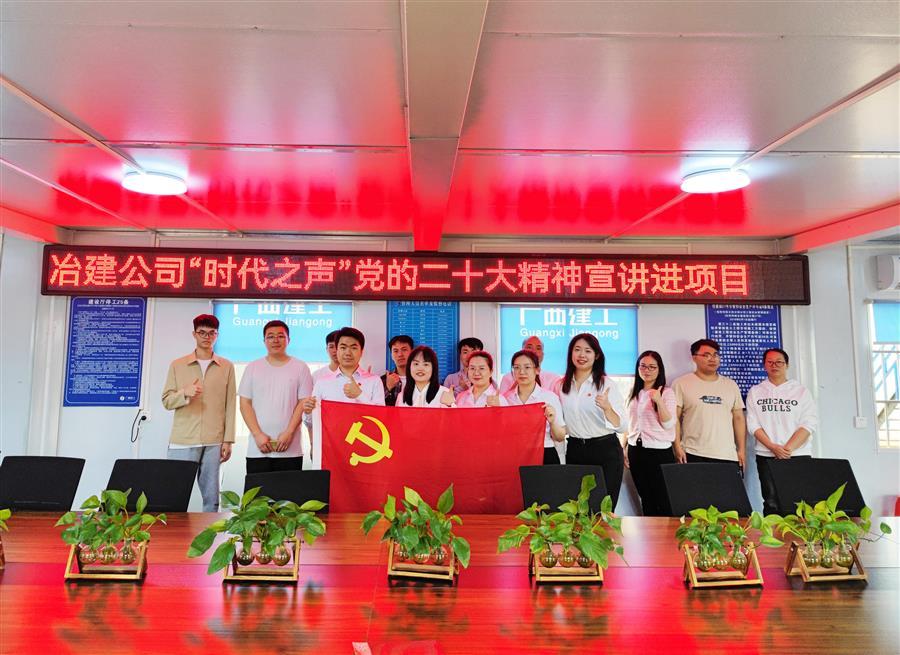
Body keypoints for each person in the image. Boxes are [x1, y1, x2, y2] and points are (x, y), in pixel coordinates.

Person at [162, 314, 235, 512]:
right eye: (202, 332)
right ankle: (173, 532)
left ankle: (210, 532)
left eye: (211, 333)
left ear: (217, 335)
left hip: (214, 441)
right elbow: (166, 401)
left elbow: (230, 404)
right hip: (183, 439)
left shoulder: (226, 366)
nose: (206, 337)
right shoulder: (178, 365)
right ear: (194, 334)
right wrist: (184, 393)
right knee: (174, 496)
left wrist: (228, 440)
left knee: (212, 499)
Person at [556, 333, 627, 510]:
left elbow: (623, 426)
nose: (582, 355)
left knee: (603, 510)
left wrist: (607, 408)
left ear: (597, 356)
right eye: (577, 350)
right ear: (570, 354)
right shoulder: (561, 385)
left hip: (605, 451)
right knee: (578, 509)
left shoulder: (606, 384)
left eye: (588, 351)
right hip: (575, 449)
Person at [746, 348, 819, 515]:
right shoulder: (756, 391)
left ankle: (799, 533)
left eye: (779, 362)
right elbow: (753, 424)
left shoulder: (801, 391)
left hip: (798, 453)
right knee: (771, 501)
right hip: (766, 454)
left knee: (799, 501)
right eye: (770, 362)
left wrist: (787, 449)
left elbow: (809, 422)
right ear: (764, 365)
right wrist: (773, 447)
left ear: (787, 365)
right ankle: (772, 532)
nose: (775, 365)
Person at [238, 320, 314, 474]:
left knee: (288, 490)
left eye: (280, 336)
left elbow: (303, 402)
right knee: (257, 490)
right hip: (258, 448)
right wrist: (257, 434)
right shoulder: (253, 367)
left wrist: (289, 433)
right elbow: (245, 403)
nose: (275, 340)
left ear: (288, 339)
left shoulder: (301, 367)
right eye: (270, 336)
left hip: (290, 449)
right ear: (264, 341)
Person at [302, 327, 385, 465]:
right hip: (331, 451)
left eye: (353, 347)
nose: (348, 352)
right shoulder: (323, 383)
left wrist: (360, 395)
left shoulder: (374, 381)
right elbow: (311, 422)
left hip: (364, 452)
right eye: (343, 347)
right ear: (337, 350)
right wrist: (307, 411)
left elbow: (381, 419)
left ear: (361, 351)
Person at [673, 338, 746, 469]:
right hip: (692, 453)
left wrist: (741, 450)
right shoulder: (681, 383)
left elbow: (739, 418)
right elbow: (675, 418)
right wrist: (677, 447)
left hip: (726, 454)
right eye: (706, 355)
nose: (712, 359)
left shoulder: (731, 385)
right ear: (694, 358)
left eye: (715, 355)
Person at [625, 351, 677, 516]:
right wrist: (624, 447)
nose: (646, 370)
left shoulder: (667, 393)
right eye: (643, 366)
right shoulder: (634, 392)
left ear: (659, 369)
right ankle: (649, 531)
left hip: (659, 452)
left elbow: (669, 424)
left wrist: (659, 402)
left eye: (652, 367)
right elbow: (630, 423)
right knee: (645, 497)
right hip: (636, 450)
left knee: (664, 499)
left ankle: (666, 532)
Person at [503, 350, 566, 464]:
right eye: (516, 367)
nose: (521, 372)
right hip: (515, 454)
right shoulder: (506, 398)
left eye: (527, 367)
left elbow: (560, 437)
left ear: (537, 370)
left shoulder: (549, 397)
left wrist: (552, 422)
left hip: (544, 452)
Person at [381, 335, 414, 406]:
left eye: (404, 350)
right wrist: (388, 388)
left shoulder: (420, 379)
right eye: (395, 351)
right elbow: (377, 407)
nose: (400, 354)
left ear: (412, 353)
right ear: (391, 355)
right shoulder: (383, 380)